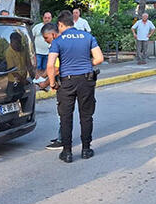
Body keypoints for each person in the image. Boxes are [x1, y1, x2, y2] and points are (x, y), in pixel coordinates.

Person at [47, 11, 104, 163]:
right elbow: (99, 58)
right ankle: (86, 149)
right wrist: (87, 63)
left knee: (66, 117)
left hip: (67, 82)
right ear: (72, 22)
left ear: (60, 24)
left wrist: (52, 83)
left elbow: (50, 65)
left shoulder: (58, 41)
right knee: (86, 116)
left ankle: (67, 152)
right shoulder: (87, 37)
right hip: (86, 80)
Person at [38, 23, 65, 151]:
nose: (45, 40)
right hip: (69, 81)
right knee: (63, 112)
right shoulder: (62, 42)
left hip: (64, 83)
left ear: (53, 35)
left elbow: (56, 69)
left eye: (46, 38)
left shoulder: (57, 45)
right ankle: (62, 136)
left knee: (63, 112)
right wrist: (42, 76)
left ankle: (62, 139)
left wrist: (47, 83)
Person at [31, 11, 52, 82]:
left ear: (51, 18)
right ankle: (37, 80)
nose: (47, 19)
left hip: (49, 52)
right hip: (38, 52)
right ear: (43, 18)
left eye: (48, 18)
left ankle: (43, 80)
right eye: (45, 18)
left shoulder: (53, 28)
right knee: (37, 67)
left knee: (45, 67)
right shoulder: (37, 27)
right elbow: (31, 37)